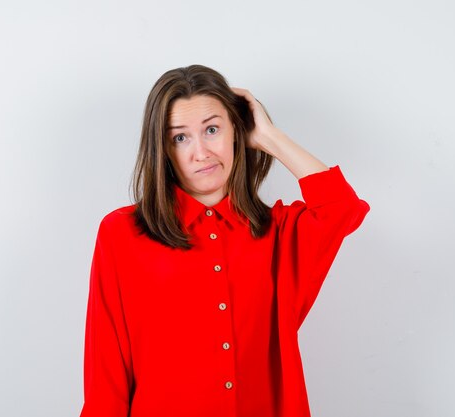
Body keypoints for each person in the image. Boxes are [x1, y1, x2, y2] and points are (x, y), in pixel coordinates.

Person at [79, 64, 369, 417]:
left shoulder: (278, 231)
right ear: (163, 149)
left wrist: (269, 137)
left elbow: (341, 209)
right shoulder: (122, 232)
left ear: (236, 130)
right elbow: (105, 373)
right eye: (180, 137)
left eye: (212, 129)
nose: (201, 153)